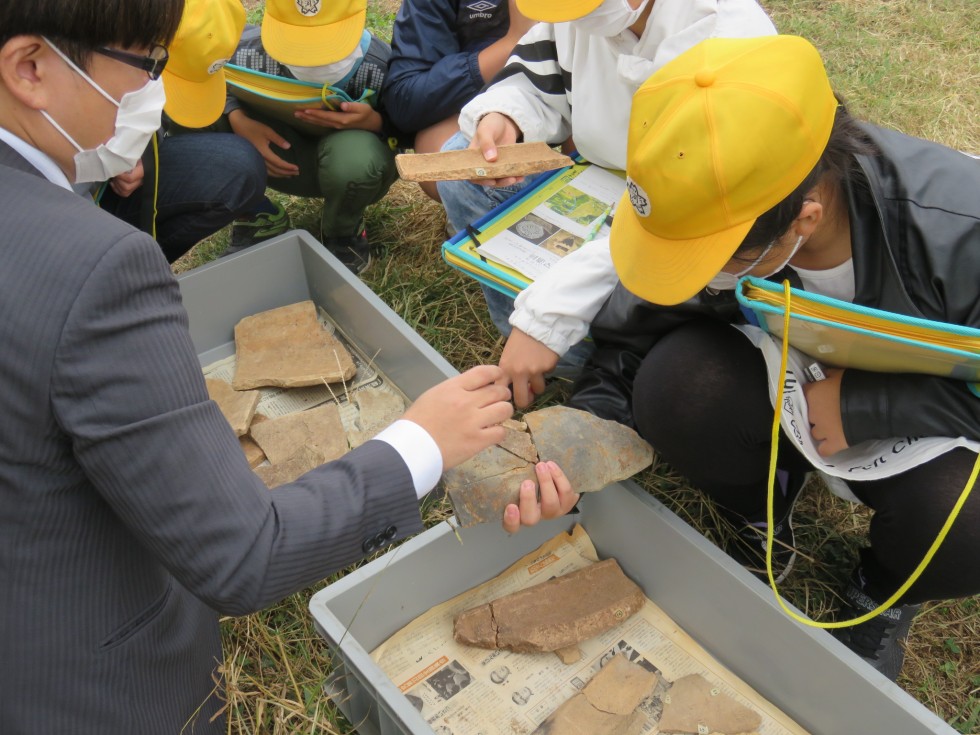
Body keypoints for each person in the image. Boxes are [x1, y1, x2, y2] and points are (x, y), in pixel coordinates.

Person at [0, 3, 577, 732]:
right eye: (148, 64)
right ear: (30, 68)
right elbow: (241, 552)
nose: (155, 94)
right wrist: (419, 442)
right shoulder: (96, 269)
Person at [558, 35, 980, 680]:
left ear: (804, 219)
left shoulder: (961, 230)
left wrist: (868, 406)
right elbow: (635, 326)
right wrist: (586, 426)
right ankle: (762, 509)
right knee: (678, 386)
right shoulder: (719, 199)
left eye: (713, 259)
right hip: (788, 382)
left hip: (940, 422)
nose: (700, 273)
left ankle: (882, 593)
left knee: (967, 518)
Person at [436, 0, 776, 376]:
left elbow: (690, 216)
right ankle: (535, 335)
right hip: (602, 180)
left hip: (684, 224)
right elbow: (535, 75)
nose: (580, 17)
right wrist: (505, 116)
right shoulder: (572, 15)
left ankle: (590, 355)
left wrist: (550, 315)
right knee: (460, 163)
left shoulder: (724, 37)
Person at [222, 0, 404, 273]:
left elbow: (413, 126)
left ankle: (342, 231)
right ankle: (257, 212)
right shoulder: (241, 53)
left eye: (329, 43)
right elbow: (196, 78)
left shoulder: (384, 67)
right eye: (295, 41)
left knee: (356, 163)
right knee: (187, 115)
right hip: (273, 155)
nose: (312, 58)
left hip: (348, 165)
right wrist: (235, 116)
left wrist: (377, 121)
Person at [99, 0, 273, 263]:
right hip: (69, 204)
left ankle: (141, 266)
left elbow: (154, 115)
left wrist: (143, 158)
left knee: (240, 168)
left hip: (116, 188)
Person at [386, 0, 537, 200]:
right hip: (474, 111)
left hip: (560, 105)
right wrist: (512, 43)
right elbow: (405, 100)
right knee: (471, 176)